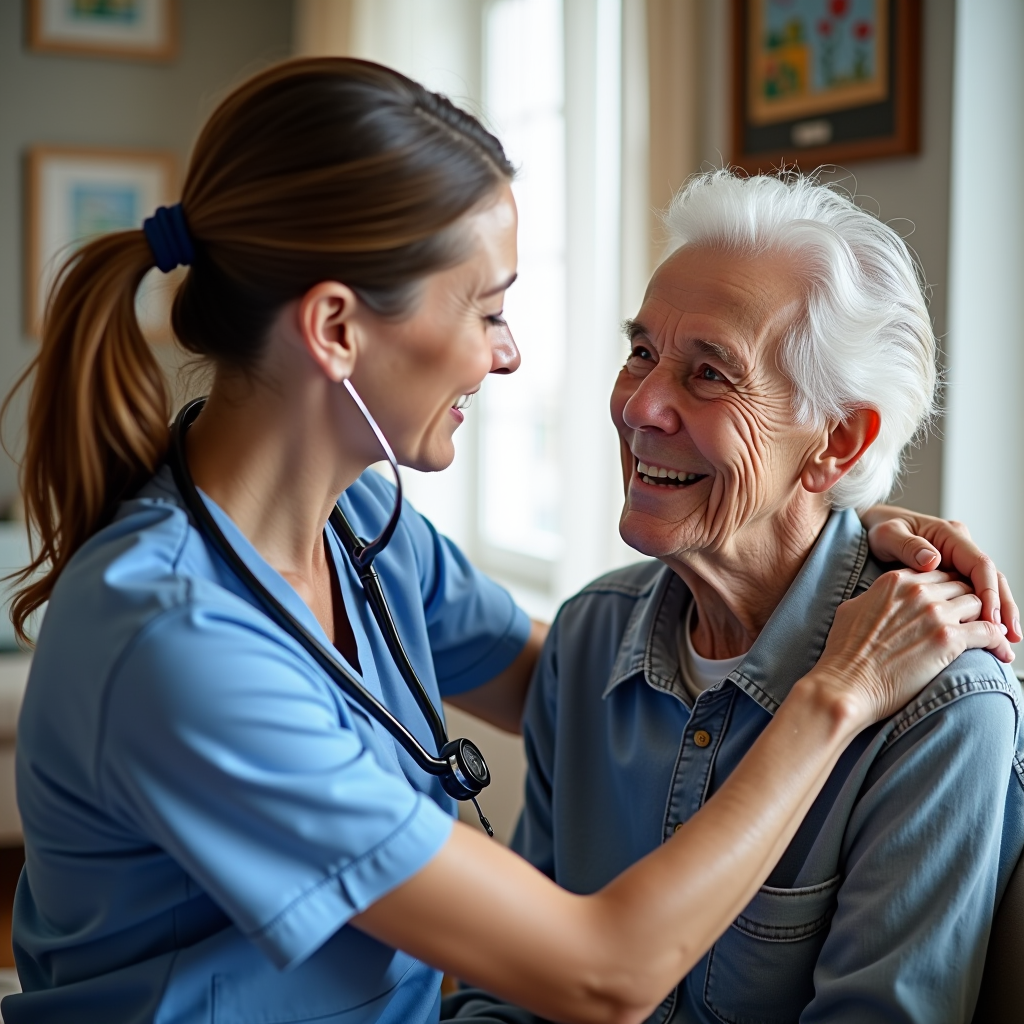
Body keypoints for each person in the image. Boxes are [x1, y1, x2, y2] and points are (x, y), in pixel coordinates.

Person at [1, 61, 1014, 1024]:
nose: (511, 352)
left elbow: (583, 682)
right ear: (337, 330)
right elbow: (599, 969)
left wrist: (839, 530)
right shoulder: (177, 642)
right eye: (488, 309)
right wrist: (835, 691)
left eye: (708, 371)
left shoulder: (361, 531)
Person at [460, 170, 1024, 1024]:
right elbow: (518, 986)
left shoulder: (941, 704)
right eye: (641, 352)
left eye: (709, 374)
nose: (640, 406)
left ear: (837, 442)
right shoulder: (587, 637)